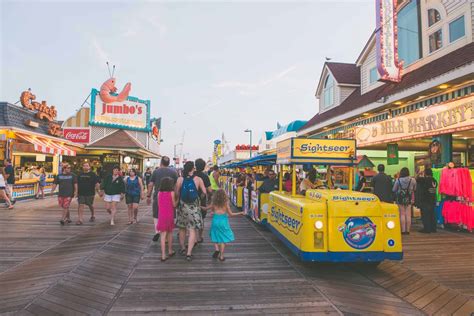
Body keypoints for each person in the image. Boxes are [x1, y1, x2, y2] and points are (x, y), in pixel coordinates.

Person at [175, 161, 207, 261]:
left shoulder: (180, 179)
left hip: (182, 207)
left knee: (182, 228)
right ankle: (189, 253)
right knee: (192, 230)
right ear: (193, 169)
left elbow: (176, 192)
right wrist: (199, 198)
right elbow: (204, 192)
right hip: (194, 207)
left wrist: (178, 201)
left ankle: (183, 248)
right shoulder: (198, 179)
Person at [203, 189, 244, 261]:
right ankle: (221, 256)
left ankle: (216, 249)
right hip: (223, 222)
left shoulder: (214, 203)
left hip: (215, 221)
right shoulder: (226, 204)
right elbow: (231, 214)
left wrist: (199, 206)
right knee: (223, 239)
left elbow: (206, 209)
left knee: (214, 235)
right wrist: (240, 213)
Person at [146, 156, 178, 242]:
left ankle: (157, 231)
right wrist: (177, 196)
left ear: (161, 162)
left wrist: (148, 196)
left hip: (158, 196)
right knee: (170, 214)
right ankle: (167, 234)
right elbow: (176, 185)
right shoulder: (174, 172)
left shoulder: (156, 172)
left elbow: (150, 184)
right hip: (170, 196)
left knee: (157, 214)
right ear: (169, 163)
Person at [157, 177, 177, 261]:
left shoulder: (159, 193)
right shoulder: (171, 193)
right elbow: (174, 205)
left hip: (161, 215)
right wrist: (178, 200)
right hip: (169, 215)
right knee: (170, 233)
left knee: (163, 235)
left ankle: (163, 255)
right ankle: (170, 250)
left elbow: (159, 205)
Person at [393, 167, 416, 235]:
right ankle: (408, 230)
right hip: (409, 197)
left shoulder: (398, 180)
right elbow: (415, 189)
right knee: (408, 214)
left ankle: (403, 230)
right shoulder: (413, 180)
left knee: (402, 214)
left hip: (400, 198)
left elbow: (394, 189)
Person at [194, 158, 212, 243]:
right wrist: (209, 198)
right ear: (204, 166)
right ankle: (199, 237)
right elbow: (210, 190)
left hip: (191, 200)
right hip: (202, 200)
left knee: (191, 217)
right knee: (201, 218)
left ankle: (192, 237)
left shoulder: (191, 175)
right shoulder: (205, 176)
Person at [415, 168, 437, 233]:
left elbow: (417, 179)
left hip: (425, 200)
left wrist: (419, 173)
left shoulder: (425, 180)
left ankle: (427, 229)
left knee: (425, 215)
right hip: (432, 200)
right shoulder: (434, 180)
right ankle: (433, 228)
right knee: (432, 215)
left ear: (425, 173)